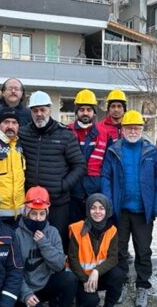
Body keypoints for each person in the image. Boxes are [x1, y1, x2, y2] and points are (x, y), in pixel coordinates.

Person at [101, 110, 157, 307]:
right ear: (122, 130)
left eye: (137, 128)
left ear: (142, 130)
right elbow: (106, 177)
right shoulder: (114, 150)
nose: (133, 131)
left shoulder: (151, 151)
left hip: (142, 212)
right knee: (119, 251)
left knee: (143, 251)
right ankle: (118, 286)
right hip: (120, 212)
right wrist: (108, 205)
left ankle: (142, 288)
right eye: (129, 128)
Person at [19, 91, 86, 252]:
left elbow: (79, 165)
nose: (39, 114)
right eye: (35, 110)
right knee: (31, 245)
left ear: (50, 109)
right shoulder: (23, 133)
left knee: (57, 243)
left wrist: (62, 186)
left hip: (57, 203)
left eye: (43, 110)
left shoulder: (65, 135)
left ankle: (57, 275)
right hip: (31, 204)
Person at [15, 186, 76, 307]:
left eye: (42, 214)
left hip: (46, 284)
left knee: (70, 279)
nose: (38, 218)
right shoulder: (17, 235)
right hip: (26, 289)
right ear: (26, 212)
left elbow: (59, 265)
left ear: (47, 213)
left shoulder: (52, 232)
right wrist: (26, 294)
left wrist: (44, 243)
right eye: (34, 214)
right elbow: (14, 271)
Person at [68, 194, 124, 307]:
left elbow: (113, 258)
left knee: (118, 275)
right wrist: (85, 280)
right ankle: (79, 297)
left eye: (101, 208)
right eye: (93, 208)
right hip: (81, 278)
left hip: (99, 275)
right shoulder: (77, 229)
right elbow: (72, 259)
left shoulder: (112, 230)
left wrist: (96, 271)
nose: (97, 211)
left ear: (107, 210)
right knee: (91, 301)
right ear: (88, 210)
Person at [68, 89, 108, 222]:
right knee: (73, 231)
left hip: (95, 192)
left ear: (94, 112)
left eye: (89, 109)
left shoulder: (104, 134)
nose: (85, 113)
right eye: (81, 109)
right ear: (76, 112)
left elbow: (107, 164)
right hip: (73, 192)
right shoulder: (67, 131)